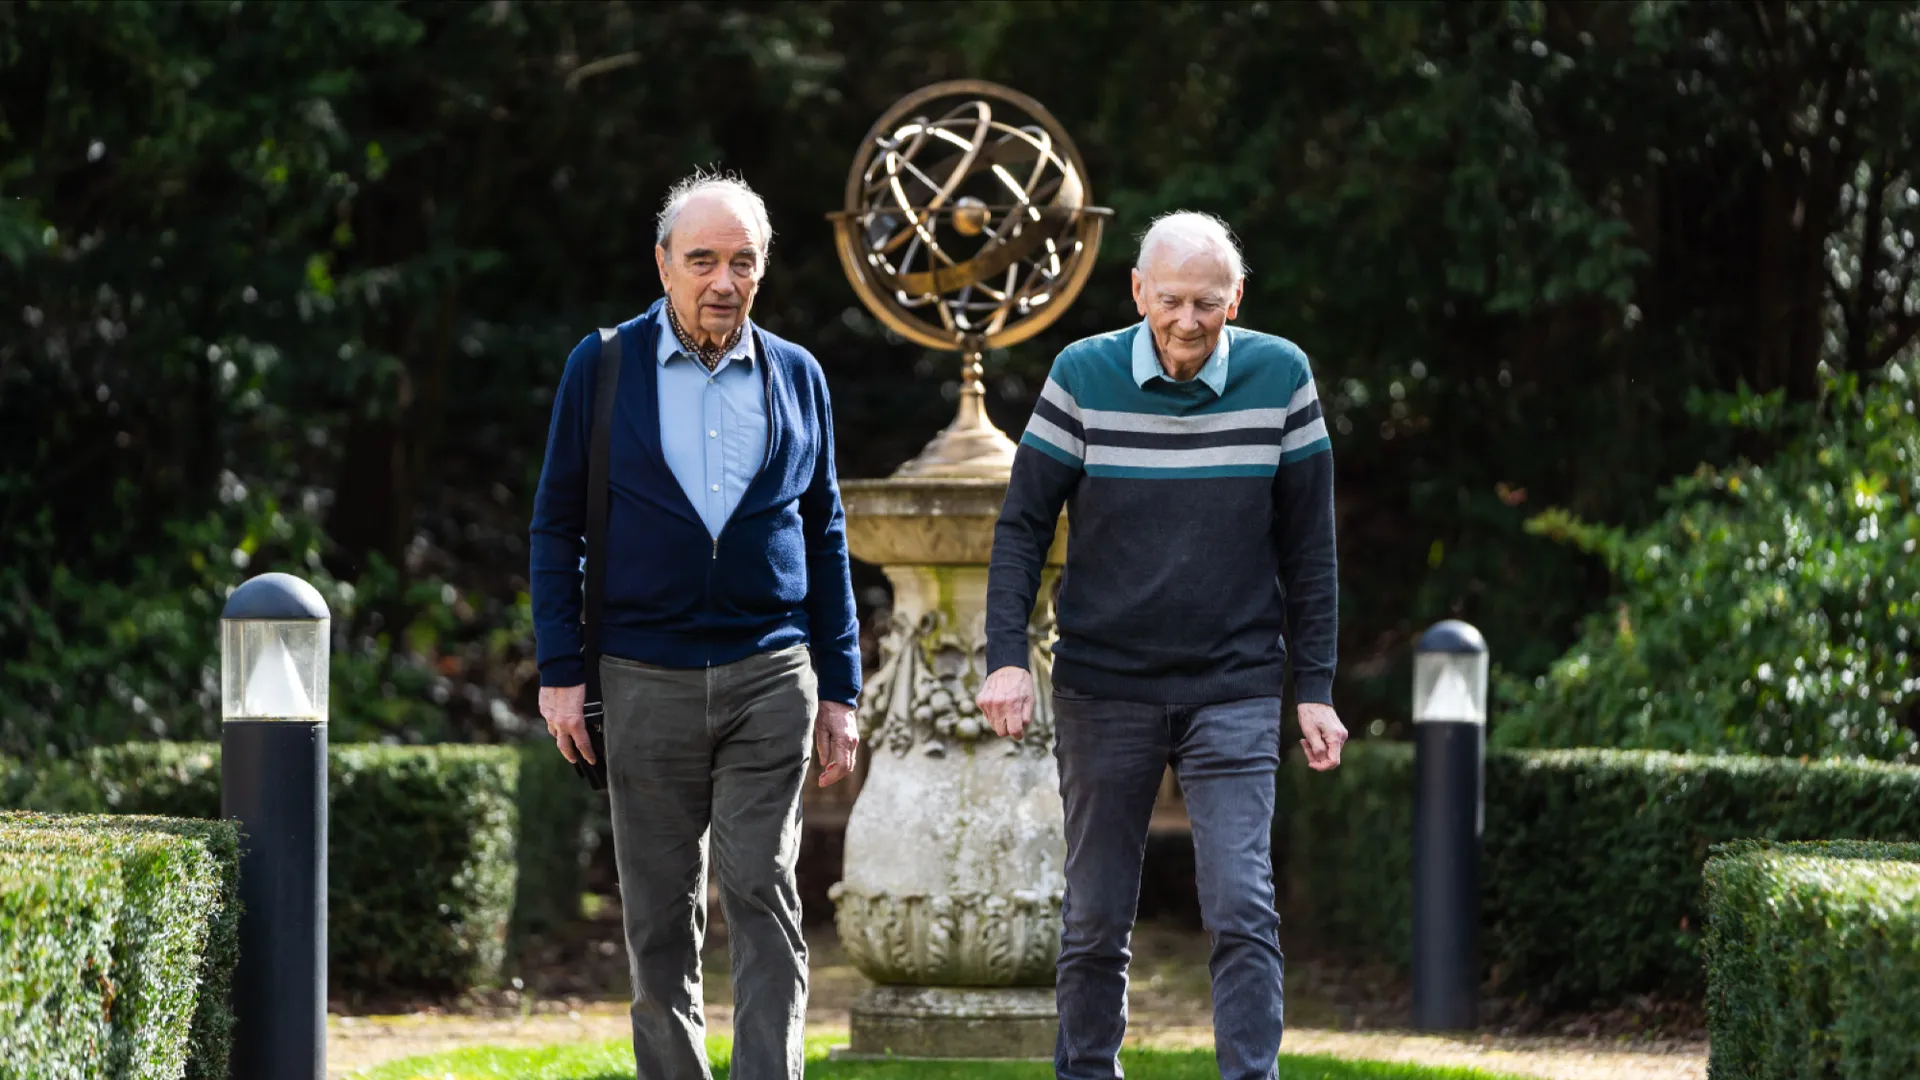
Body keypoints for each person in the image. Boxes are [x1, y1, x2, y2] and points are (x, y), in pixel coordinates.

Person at [976, 210, 1347, 1080]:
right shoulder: (1082, 375)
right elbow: (1024, 525)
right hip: (1105, 683)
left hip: (1236, 684)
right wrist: (1005, 656)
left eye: (1209, 303)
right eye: (1171, 300)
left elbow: (1310, 549)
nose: (1188, 321)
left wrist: (1317, 685)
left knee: (1242, 904)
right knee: (1097, 914)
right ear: (1138, 290)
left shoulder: (1280, 377)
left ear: (1237, 298)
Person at [529, 172, 860, 1080]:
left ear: (762, 271)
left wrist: (841, 690)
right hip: (642, 673)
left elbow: (825, 532)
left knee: (764, 888)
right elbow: (556, 524)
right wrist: (562, 670)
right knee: (660, 916)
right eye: (703, 259)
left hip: (771, 670)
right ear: (663, 265)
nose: (724, 280)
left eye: (742, 262)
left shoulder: (799, 375)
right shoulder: (600, 368)